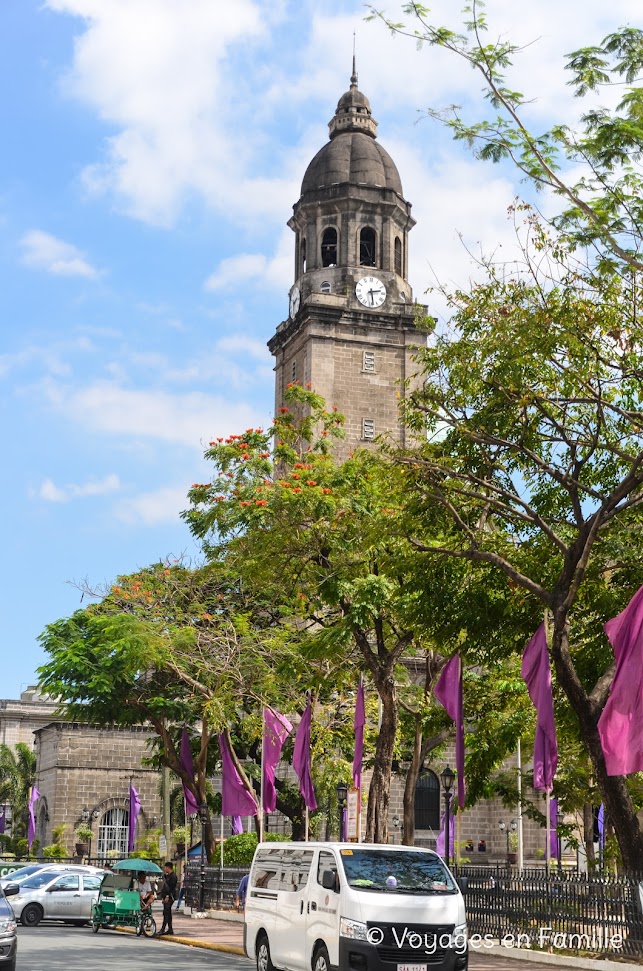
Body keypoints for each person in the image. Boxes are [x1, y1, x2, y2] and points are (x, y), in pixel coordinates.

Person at [157, 861, 178, 935]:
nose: (164, 869)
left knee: (166, 912)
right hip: (166, 896)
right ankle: (170, 929)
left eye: (165, 867)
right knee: (167, 913)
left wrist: (167, 896)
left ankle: (163, 929)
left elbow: (171, 887)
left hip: (170, 897)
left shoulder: (173, 876)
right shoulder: (168, 876)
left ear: (168, 867)